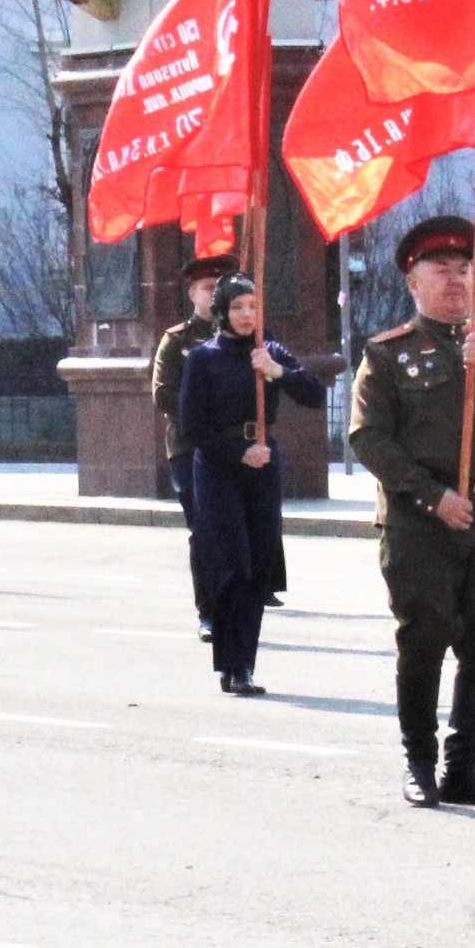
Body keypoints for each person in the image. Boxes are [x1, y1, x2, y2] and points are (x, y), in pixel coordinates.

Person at [347, 216, 475, 808]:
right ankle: (418, 760)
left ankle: (462, 764)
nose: (455, 279)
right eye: (440, 269)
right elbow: (368, 438)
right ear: (412, 281)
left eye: (465, 269)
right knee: (424, 637)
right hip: (418, 520)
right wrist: (430, 496)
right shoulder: (388, 354)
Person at [174, 276, 331, 697]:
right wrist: (236, 451)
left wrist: (277, 372)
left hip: (263, 462)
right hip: (219, 466)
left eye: (254, 307)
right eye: (239, 307)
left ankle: (243, 663)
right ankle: (232, 664)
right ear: (223, 311)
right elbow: (192, 424)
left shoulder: (269, 350)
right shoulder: (204, 358)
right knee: (233, 567)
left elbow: (315, 395)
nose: (248, 315)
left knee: (259, 568)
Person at [148, 254, 235, 631]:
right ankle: (209, 613)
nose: (214, 293)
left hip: (236, 449)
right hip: (191, 448)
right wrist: (205, 419)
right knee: (204, 529)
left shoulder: (245, 336)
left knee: (236, 530)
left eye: (220, 287)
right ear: (193, 294)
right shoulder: (177, 340)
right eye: (206, 288)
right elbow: (163, 395)